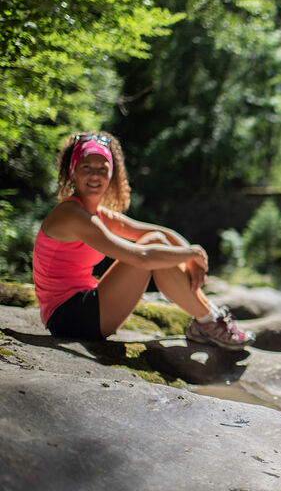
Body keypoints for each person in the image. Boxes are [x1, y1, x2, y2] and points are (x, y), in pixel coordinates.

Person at [32, 131, 255, 349]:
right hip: (69, 317)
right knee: (153, 251)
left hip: (86, 304)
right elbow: (143, 258)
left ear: (111, 174)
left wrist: (192, 259)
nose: (95, 175)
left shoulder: (95, 213)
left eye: (102, 168)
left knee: (156, 240)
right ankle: (208, 321)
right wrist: (193, 254)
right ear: (73, 172)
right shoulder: (72, 214)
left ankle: (209, 316)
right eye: (86, 167)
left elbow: (161, 233)